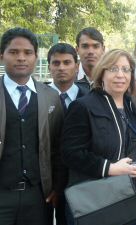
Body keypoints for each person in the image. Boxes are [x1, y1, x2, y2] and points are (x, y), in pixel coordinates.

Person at [61, 49, 136, 225]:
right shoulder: (83, 107)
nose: (120, 75)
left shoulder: (130, 106)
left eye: (126, 69)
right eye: (113, 69)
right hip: (95, 202)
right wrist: (110, 168)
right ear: (102, 74)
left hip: (127, 197)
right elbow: (70, 153)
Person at [0, 27, 64, 225]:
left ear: (36, 57)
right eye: (14, 52)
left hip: (37, 196)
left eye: (28, 53)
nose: (21, 58)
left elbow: (57, 147)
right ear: (2, 56)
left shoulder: (51, 96)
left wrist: (56, 188)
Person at [47, 43, 89, 225]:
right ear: (49, 67)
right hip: (47, 182)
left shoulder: (90, 98)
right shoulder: (39, 97)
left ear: (77, 66)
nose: (61, 67)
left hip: (81, 181)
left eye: (67, 62)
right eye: (56, 63)